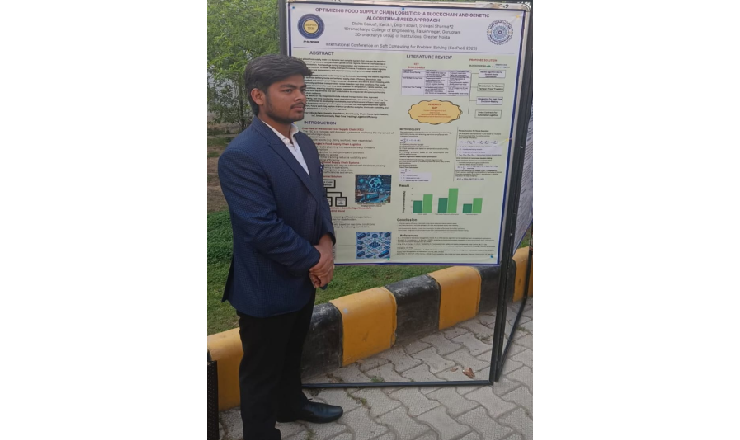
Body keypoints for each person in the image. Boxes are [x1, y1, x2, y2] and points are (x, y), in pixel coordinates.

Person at [218, 54, 341, 439]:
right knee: (261, 369)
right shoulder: (241, 154)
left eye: (301, 89)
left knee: (291, 352)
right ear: (258, 96)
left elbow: (318, 199)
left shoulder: (304, 143)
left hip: (303, 278)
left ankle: (291, 405)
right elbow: (261, 227)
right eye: (288, 90)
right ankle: (259, 432)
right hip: (267, 284)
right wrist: (316, 260)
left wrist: (326, 242)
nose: (299, 96)